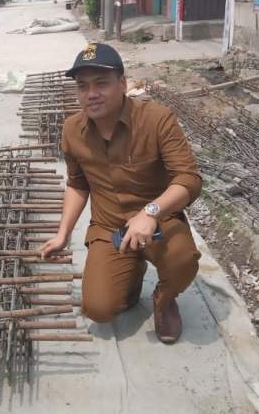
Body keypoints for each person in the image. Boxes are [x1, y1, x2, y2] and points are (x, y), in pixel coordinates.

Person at [40, 43, 202, 344]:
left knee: (183, 260)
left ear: (123, 83)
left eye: (101, 83)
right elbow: (77, 184)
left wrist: (150, 213)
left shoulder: (156, 119)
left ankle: (164, 299)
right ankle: (129, 276)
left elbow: (188, 178)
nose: (91, 94)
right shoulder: (72, 130)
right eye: (83, 86)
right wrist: (63, 234)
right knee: (99, 309)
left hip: (159, 221)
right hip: (109, 226)